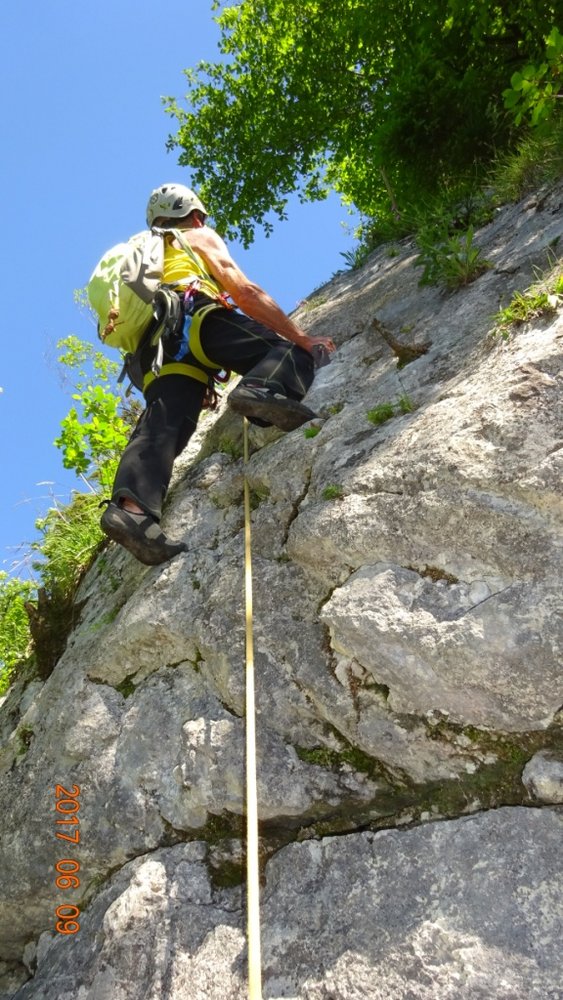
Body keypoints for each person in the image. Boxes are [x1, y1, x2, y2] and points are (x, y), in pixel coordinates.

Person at [100, 182, 335, 566]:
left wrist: (202, 373)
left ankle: (132, 511)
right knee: (288, 351)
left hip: (153, 349)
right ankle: (262, 389)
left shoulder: (149, 254)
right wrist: (302, 337)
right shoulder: (194, 235)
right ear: (194, 215)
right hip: (194, 315)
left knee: (163, 426)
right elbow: (242, 289)